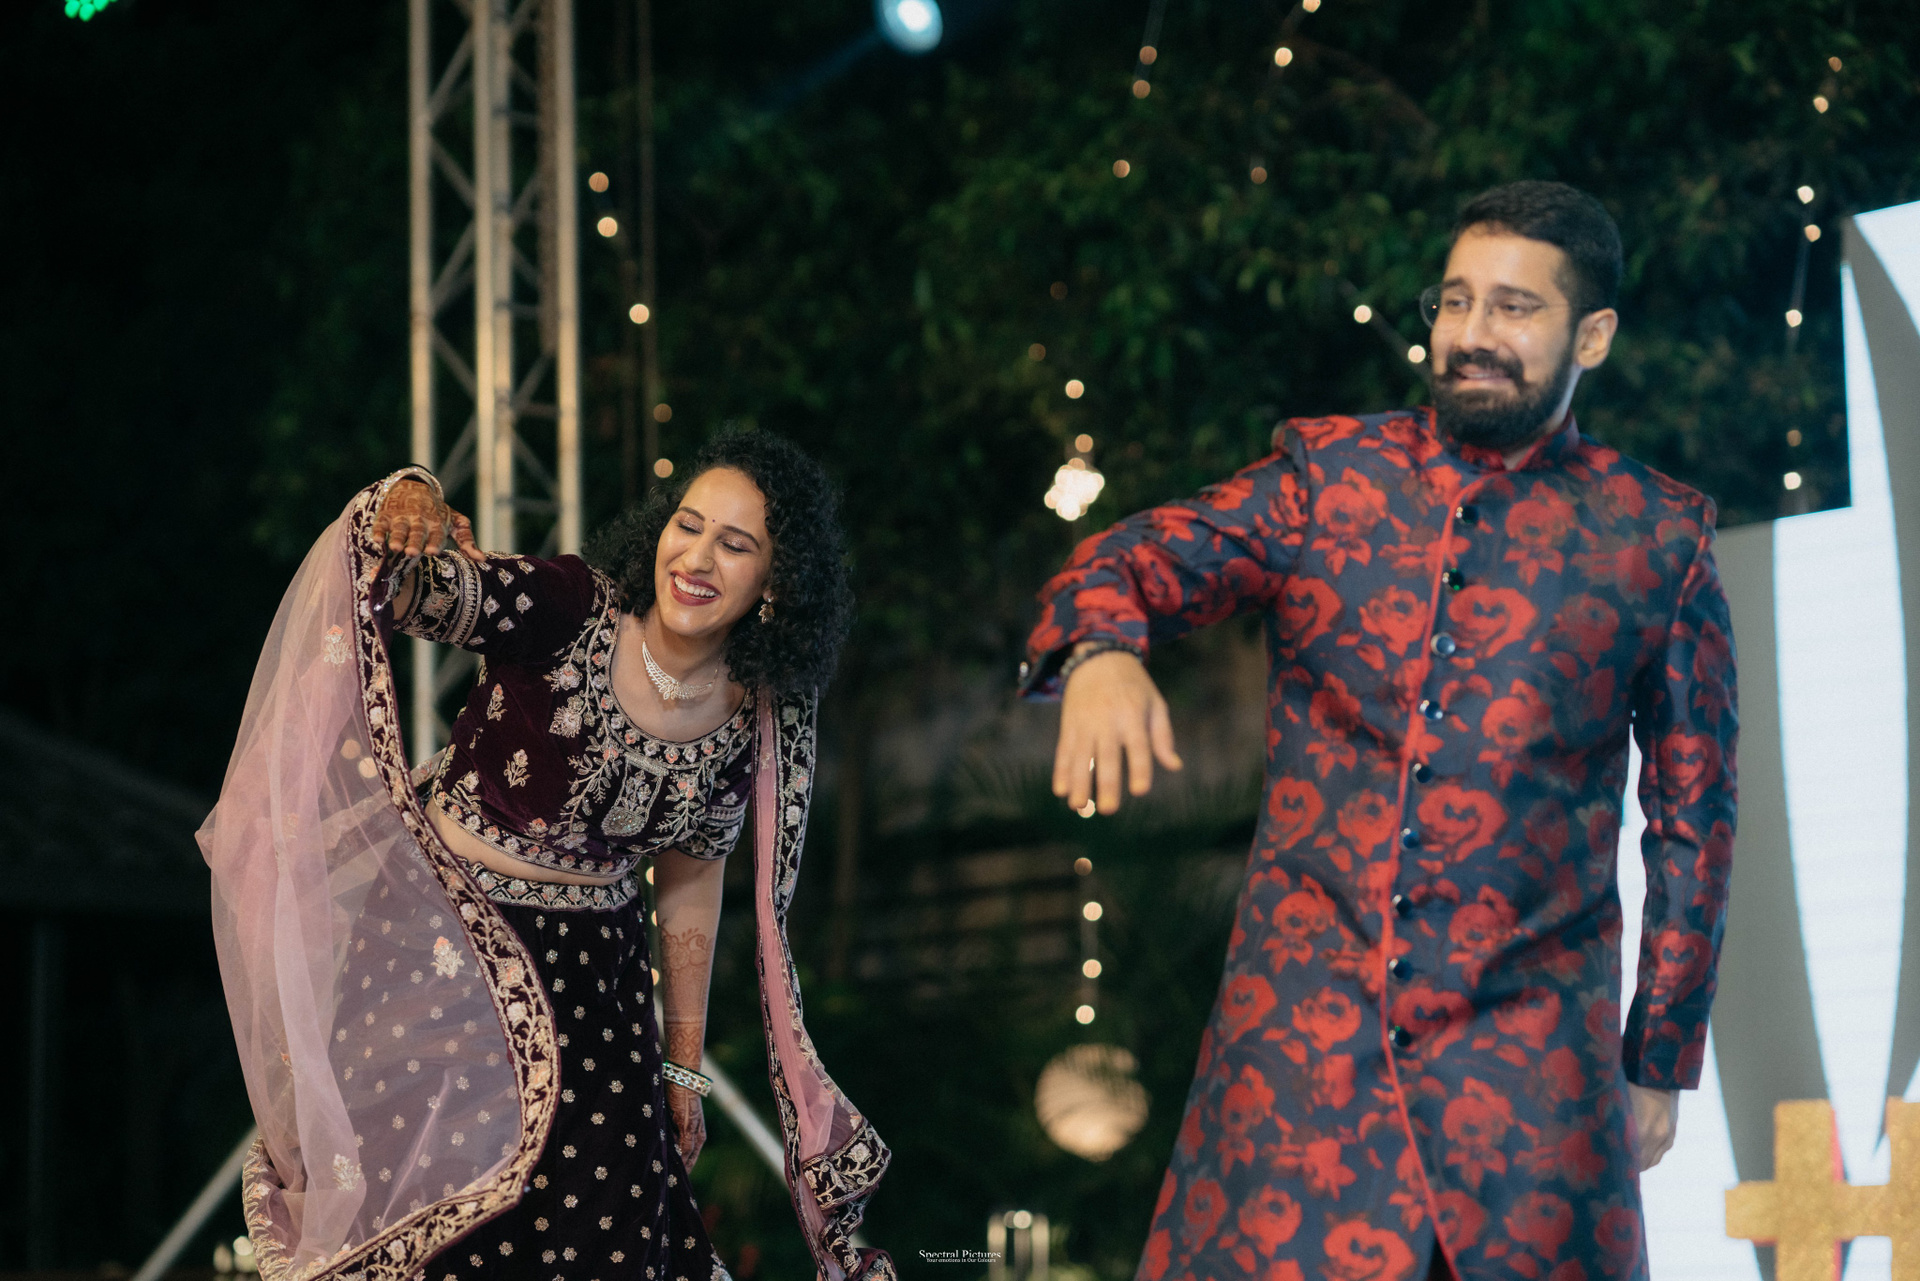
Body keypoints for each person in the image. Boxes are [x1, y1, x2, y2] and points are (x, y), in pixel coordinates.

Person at [1020, 181, 1735, 1281]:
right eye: (1455, 301)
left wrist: (1659, 1056)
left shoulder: (1657, 535)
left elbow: (1694, 817)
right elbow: (1135, 557)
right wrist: (1102, 650)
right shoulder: (1330, 479)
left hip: (1533, 1075)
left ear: (1592, 336)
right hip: (1303, 1061)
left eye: (1514, 307)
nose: (1472, 333)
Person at [200, 428, 895, 1281]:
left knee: (612, 1238)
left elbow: (690, 880)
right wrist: (405, 504)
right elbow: (415, 591)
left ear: (775, 584)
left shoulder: (753, 711)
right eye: (687, 526)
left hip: (600, 991)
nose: (697, 558)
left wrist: (681, 1065)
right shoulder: (569, 606)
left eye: (735, 544)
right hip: (445, 959)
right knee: (441, 1240)